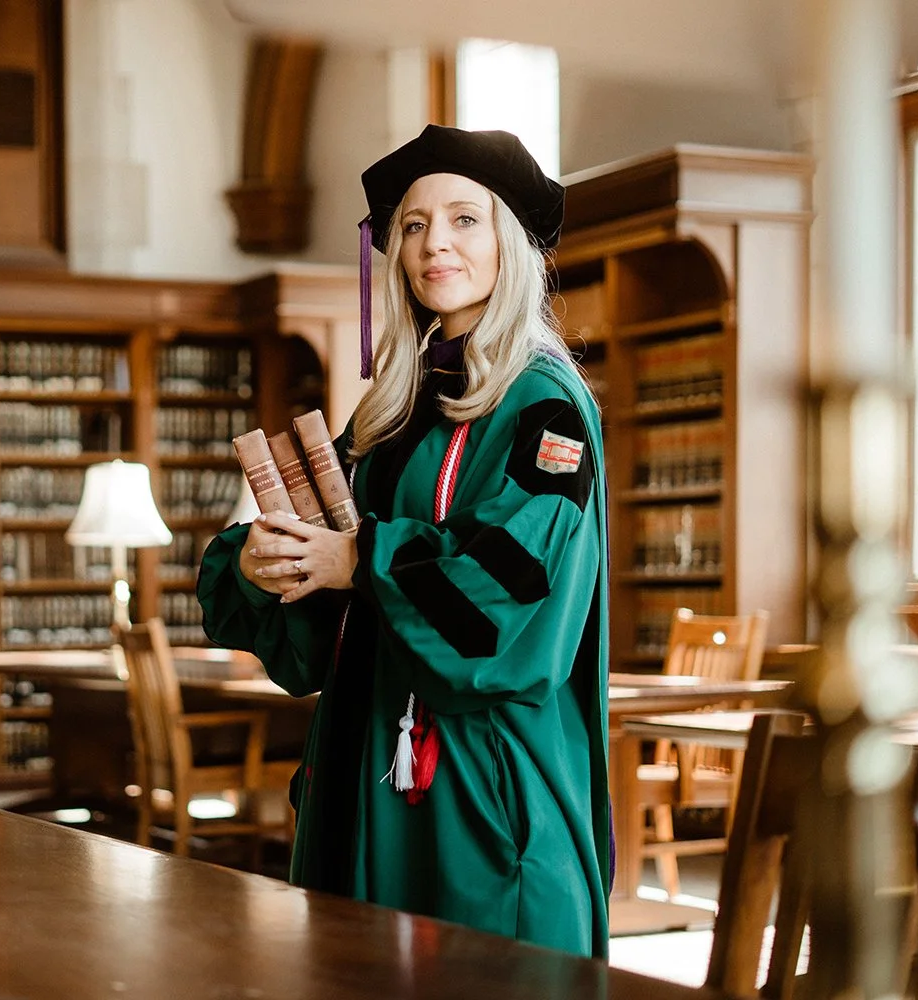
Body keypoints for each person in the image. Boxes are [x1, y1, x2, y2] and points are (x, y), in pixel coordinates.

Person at [196, 125, 610, 958]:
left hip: (477, 778)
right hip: (364, 764)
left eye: (465, 219)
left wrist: (360, 559)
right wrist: (259, 563)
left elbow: (510, 599)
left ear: (510, 244)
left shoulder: (543, 406)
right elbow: (316, 630)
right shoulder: (389, 412)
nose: (434, 244)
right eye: (414, 225)